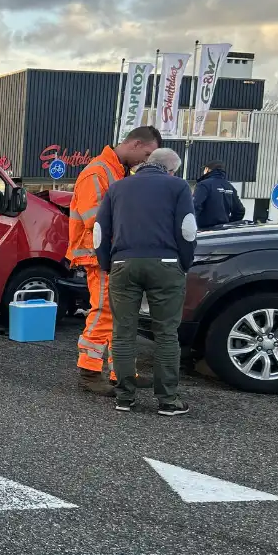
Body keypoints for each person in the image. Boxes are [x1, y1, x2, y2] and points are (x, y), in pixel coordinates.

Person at [95, 147, 195, 415]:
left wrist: (107, 263)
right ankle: (167, 401)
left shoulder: (118, 188)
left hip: (123, 264)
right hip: (166, 265)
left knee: (123, 332)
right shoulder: (178, 186)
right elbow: (187, 229)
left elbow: (100, 230)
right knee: (165, 333)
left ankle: (124, 397)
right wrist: (184, 263)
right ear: (171, 169)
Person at [67, 126, 163, 396]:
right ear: (134, 144)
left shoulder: (115, 171)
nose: (147, 160)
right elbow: (96, 221)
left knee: (120, 315)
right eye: (147, 153)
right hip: (99, 256)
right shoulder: (98, 172)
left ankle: (120, 371)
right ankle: (89, 372)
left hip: (110, 255)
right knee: (105, 312)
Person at [193, 160, 245, 229]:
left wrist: (192, 224)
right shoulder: (229, 186)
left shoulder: (203, 185)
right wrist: (228, 223)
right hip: (222, 232)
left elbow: (195, 206)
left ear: (207, 169)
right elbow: (240, 210)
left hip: (205, 230)